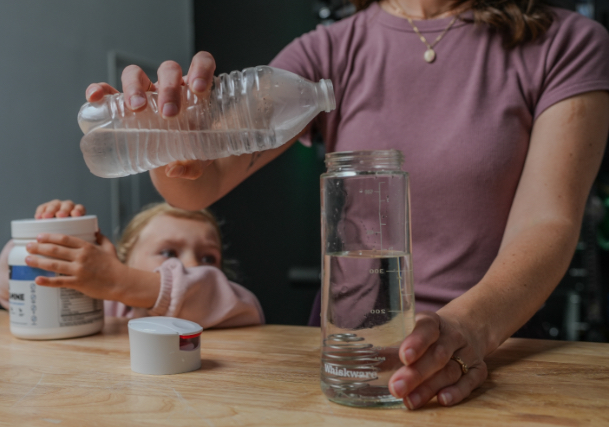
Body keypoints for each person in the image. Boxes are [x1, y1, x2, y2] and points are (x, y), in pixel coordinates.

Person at [82, 0, 609, 409]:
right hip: (350, 353)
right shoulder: (328, 50)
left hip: (494, 343)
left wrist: (469, 330)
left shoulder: (568, 43)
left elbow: (549, 221)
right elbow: (199, 184)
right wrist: (166, 135)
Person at [0, 200, 264, 329]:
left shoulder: (228, 304)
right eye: (169, 253)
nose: (193, 266)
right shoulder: (103, 304)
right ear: (122, 260)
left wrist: (120, 281)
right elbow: (12, 293)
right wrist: (47, 238)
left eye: (208, 259)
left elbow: (245, 307)